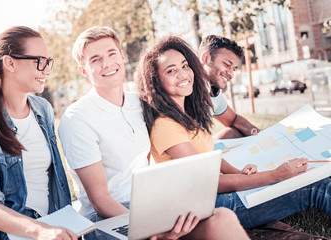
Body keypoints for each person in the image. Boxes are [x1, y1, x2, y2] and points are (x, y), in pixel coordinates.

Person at [58, 26, 249, 240]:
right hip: (107, 222)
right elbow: (100, 201)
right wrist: (153, 232)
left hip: (151, 206)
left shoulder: (138, 104)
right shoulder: (77, 118)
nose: (107, 64)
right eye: (95, 59)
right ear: (84, 70)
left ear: (122, 56)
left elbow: (180, 91)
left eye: (111, 54)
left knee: (223, 218)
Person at [136, 35, 331, 229]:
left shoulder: (187, 114)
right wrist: (276, 175)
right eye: (171, 70)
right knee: (313, 185)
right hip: (206, 208)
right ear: (156, 81)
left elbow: (209, 157)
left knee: (309, 177)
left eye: (185, 66)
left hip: (214, 196)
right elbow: (208, 181)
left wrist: (240, 173)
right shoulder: (165, 125)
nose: (183, 74)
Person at [0, 26, 76, 240]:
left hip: (54, 224)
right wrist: (40, 231)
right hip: (12, 234)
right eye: (40, 61)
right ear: (10, 63)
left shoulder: (43, 110)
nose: (47, 70)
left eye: (49, 62)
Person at [198, 35, 260, 139]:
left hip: (201, 146)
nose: (231, 75)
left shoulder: (214, 93)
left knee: (235, 133)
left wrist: (256, 132)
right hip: (185, 152)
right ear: (205, 58)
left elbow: (233, 119)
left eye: (234, 69)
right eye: (226, 64)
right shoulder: (183, 89)